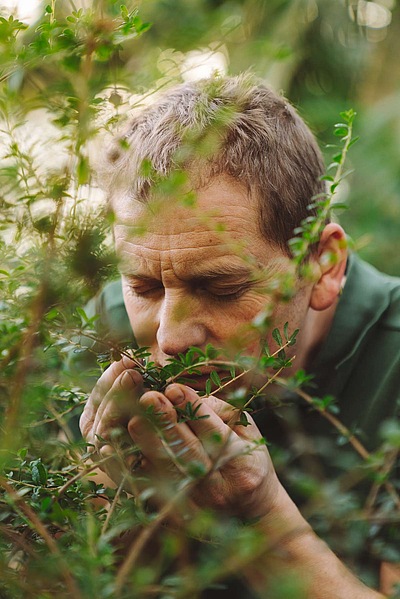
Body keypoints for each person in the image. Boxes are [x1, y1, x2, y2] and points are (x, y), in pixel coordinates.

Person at [79, 75, 400, 597]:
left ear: (323, 265)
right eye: (143, 285)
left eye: (222, 286)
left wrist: (261, 515)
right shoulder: (102, 330)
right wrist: (105, 488)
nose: (172, 335)